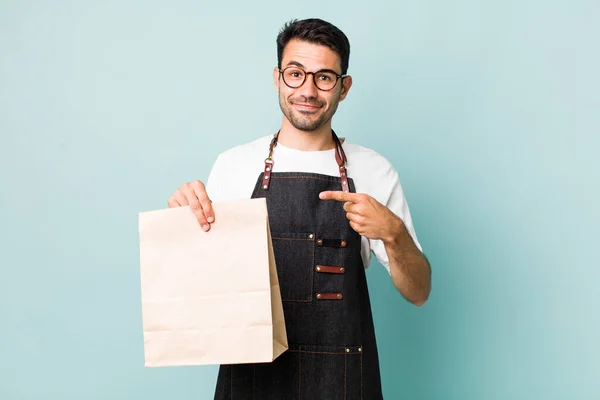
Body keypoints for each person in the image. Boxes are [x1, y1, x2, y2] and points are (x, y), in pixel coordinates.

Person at [167, 18, 431, 400]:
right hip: (253, 380)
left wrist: (394, 233)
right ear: (277, 78)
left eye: (324, 77)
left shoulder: (374, 170)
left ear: (344, 88)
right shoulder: (234, 165)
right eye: (295, 74)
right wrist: (183, 218)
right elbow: (202, 287)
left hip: (341, 378)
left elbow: (419, 291)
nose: (307, 90)